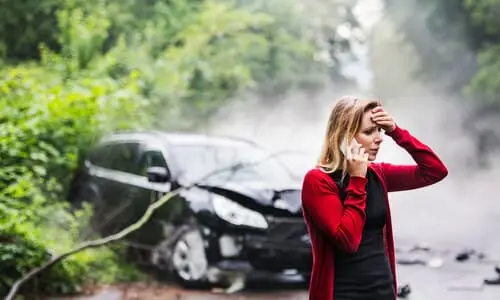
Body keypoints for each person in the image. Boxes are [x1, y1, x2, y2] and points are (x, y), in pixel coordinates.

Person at [301, 96, 448, 300]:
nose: (379, 138)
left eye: (379, 130)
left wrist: (396, 132)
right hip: (342, 294)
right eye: (369, 132)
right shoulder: (318, 181)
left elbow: (435, 171)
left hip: (382, 291)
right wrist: (357, 179)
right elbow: (348, 240)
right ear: (343, 137)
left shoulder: (378, 174)